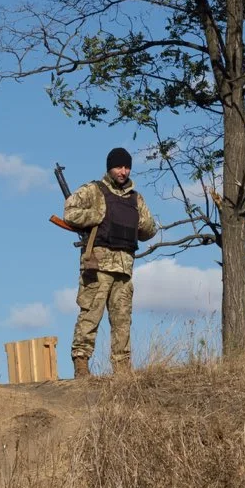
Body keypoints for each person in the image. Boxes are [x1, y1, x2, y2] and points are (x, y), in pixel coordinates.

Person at [63, 146, 157, 378]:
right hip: (97, 265)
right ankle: (81, 364)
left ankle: (122, 370)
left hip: (124, 269)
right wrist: (96, 216)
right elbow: (70, 212)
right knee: (90, 315)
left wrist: (137, 225)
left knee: (122, 321)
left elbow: (150, 229)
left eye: (126, 167)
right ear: (109, 168)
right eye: (119, 167)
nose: (123, 172)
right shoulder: (93, 190)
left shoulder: (136, 198)